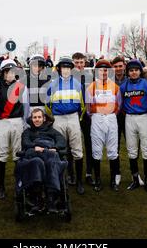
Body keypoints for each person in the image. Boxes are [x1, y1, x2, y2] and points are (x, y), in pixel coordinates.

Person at [0, 59, 30, 199]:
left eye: (12, 72)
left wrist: (23, 124)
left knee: (17, 155)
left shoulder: (22, 88)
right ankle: (1, 187)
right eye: (7, 72)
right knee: (2, 156)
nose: (10, 74)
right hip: (2, 123)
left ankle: (19, 183)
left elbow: (26, 109)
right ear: (3, 73)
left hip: (17, 122)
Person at [46, 56, 85, 195]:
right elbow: (47, 105)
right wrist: (55, 117)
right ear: (59, 69)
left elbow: (82, 105)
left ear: (71, 69)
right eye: (64, 67)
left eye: (68, 67)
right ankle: (63, 179)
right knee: (59, 149)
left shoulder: (78, 84)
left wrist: (77, 118)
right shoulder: (53, 84)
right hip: (58, 119)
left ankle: (79, 181)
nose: (66, 70)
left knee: (77, 150)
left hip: (73, 118)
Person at [15, 108, 67, 213]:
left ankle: (51, 199)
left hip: (50, 153)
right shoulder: (27, 132)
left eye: (39, 117)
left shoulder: (52, 131)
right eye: (35, 117)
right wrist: (35, 146)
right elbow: (25, 143)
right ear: (31, 119)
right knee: (37, 161)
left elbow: (62, 141)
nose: (37, 120)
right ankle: (37, 198)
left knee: (51, 160)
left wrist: (55, 148)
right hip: (34, 154)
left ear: (44, 118)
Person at [120, 59, 147, 193]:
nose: (134, 72)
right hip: (129, 118)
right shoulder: (123, 86)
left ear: (140, 71)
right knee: (131, 149)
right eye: (131, 70)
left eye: (136, 70)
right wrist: (128, 113)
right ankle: (135, 179)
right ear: (128, 72)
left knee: (146, 149)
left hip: (144, 118)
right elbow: (121, 103)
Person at [86, 59, 122, 192]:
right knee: (96, 150)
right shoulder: (91, 87)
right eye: (101, 70)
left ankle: (113, 181)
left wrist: (110, 114)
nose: (104, 72)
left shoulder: (115, 87)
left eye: (106, 70)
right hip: (96, 119)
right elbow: (88, 108)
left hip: (111, 118)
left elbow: (119, 105)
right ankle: (98, 180)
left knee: (113, 150)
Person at [72, 52, 94, 186]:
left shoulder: (90, 76)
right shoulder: (67, 76)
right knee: (72, 143)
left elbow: (91, 95)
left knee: (88, 142)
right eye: (76, 63)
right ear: (73, 62)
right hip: (73, 113)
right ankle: (71, 173)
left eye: (81, 62)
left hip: (87, 114)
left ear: (85, 62)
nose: (79, 65)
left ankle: (89, 173)